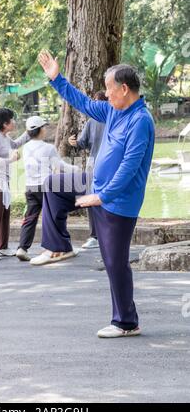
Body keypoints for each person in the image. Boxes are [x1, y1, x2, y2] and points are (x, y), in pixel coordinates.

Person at [35, 50, 155, 339]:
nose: (106, 93)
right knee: (54, 184)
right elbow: (85, 103)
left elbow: (129, 167)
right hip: (96, 188)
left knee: (115, 262)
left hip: (119, 201)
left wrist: (103, 196)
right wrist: (56, 79)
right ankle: (59, 246)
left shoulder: (141, 121)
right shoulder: (113, 110)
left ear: (124, 89)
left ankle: (127, 322)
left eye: (110, 88)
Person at [16, 115, 79, 262]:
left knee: (30, 218)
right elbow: (60, 166)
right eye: (44, 126)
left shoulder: (26, 148)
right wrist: (76, 169)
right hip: (47, 187)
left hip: (30, 187)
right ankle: (54, 248)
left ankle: (22, 247)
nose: (46, 129)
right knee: (52, 217)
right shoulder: (48, 148)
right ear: (40, 130)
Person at [0, 108, 30, 261]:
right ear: (5, 124)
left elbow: (15, 145)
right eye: (12, 119)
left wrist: (29, 132)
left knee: (4, 213)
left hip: (4, 179)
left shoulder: (4, 136)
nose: (14, 122)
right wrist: (10, 161)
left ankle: (2, 247)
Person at [68, 90, 106, 249]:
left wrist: (73, 142)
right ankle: (104, 235)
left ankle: (95, 236)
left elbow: (81, 143)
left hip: (95, 165)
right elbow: (82, 142)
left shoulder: (93, 121)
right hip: (106, 165)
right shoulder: (114, 119)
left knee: (92, 199)